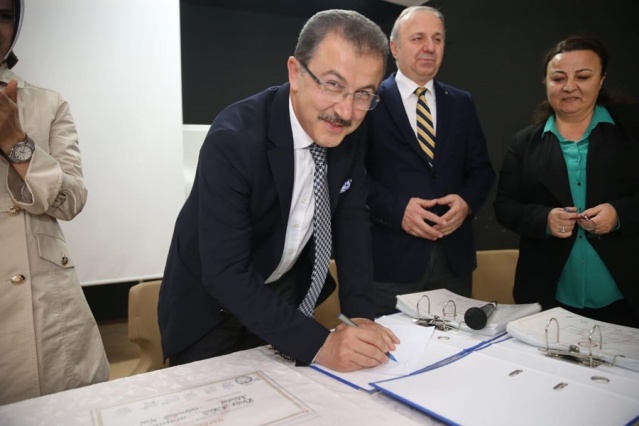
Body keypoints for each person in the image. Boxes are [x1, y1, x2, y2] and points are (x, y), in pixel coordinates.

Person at [158, 9, 399, 372]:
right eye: (332, 85)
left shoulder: (351, 132)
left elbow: (352, 226)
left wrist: (359, 318)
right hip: (211, 305)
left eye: (364, 94)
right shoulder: (234, 139)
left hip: (282, 295)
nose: (346, 110)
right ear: (295, 72)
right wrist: (321, 345)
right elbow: (225, 272)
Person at [0, 0, 109, 404]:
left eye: (5, 16)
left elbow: (71, 199)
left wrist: (16, 142)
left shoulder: (48, 104)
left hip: (50, 311)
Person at [494, 35, 639, 328]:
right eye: (558, 78)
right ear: (546, 82)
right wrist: (544, 219)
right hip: (548, 294)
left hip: (626, 295)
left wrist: (619, 215)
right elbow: (505, 207)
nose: (569, 86)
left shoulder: (632, 129)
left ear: (601, 80)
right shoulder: (523, 142)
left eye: (582, 76)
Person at [365, 6, 495, 316]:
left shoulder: (462, 102)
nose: (430, 47)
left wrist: (466, 202)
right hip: (390, 266)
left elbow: (482, 170)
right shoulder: (368, 101)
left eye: (437, 39)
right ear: (394, 48)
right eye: (418, 38)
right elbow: (351, 176)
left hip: (453, 263)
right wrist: (399, 210)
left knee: (455, 344)